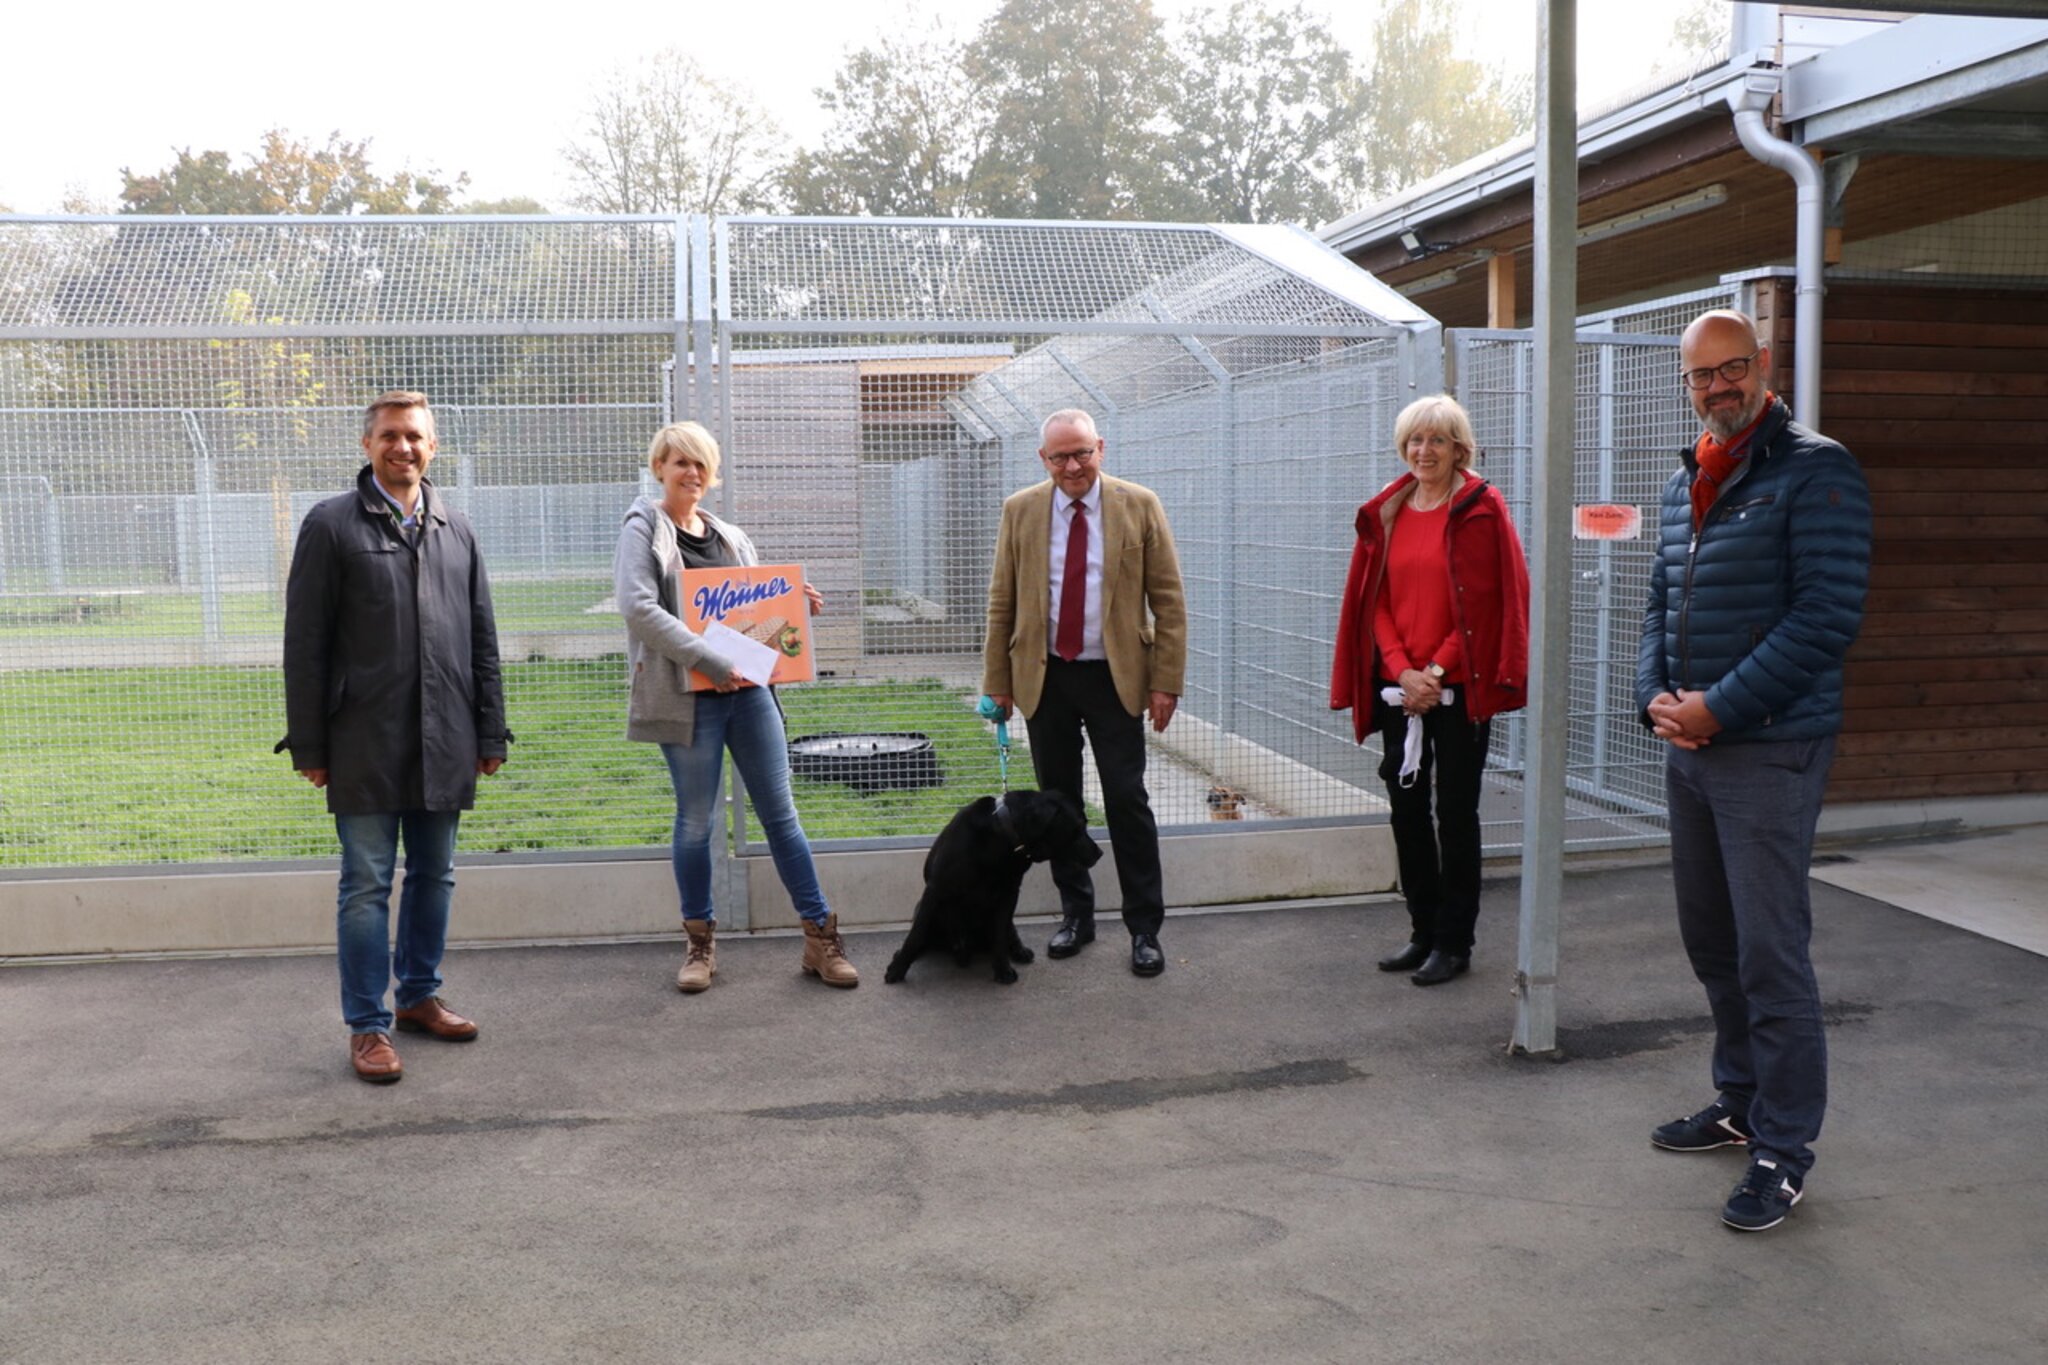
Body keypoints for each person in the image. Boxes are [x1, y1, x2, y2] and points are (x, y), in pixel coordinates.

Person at [1638, 308, 1871, 1233]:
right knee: (1712, 941)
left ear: (1762, 366)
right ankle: (1739, 1102)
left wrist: (1719, 706)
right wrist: (1656, 697)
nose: (1717, 387)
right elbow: (1657, 600)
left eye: (1732, 370)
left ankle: (1783, 1147)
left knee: (1772, 954)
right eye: (1701, 376)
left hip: (1769, 747)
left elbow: (1825, 618)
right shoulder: (1684, 477)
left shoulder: (1817, 470)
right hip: (1693, 748)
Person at [282, 391, 511, 1084]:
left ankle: (417, 996)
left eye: (414, 436)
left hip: (446, 733)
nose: (402, 447)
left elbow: (482, 639)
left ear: (432, 447)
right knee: (367, 883)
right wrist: (311, 745)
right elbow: (306, 644)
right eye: (389, 435)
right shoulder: (330, 525)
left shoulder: (456, 528)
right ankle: (368, 1026)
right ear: (367, 444)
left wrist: (489, 729)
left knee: (435, 875)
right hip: (363, 738)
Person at [613, 420, 856, 992]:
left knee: (782, 815)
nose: (691, 473)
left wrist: (794, 606)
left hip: (750, 695)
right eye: (680, 462)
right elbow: (637, 607)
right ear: (660, 468)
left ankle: (820, 939)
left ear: (711, 472)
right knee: (697, 821)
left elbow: (753, 611)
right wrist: (710, 662)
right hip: (688, 698)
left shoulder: (730, 535)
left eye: (700, 463)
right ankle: (700, 944)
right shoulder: (644, 527)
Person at [1331, 394, 1529, 986]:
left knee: (1456, 813)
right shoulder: (1391, 511)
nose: (1424, 451)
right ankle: (1421, 929)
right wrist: (1400, 670)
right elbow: (1376, 601)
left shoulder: (1481, 509)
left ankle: (1454, 940)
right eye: (1415, 441)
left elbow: (1488, 603)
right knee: (1406, 805)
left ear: (1458, 449)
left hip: (1458, 689)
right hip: (1401, 689)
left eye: (1437, 441)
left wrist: (1436, 673)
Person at [984, 408, 1187, 977]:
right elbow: (1003, 600)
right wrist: (997, 683)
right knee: (1057, 806)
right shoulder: (1021, 510)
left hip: (1115, 678)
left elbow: (1168, 600)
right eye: (1059, 457)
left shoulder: (1138, 504)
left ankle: (1145, 928)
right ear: (1042, 459)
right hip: (1044, 677)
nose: (1072, 466)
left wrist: (1166, 680)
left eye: (1082, 453)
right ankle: (1077, 915)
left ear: (1101, 447)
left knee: (1127, 799)